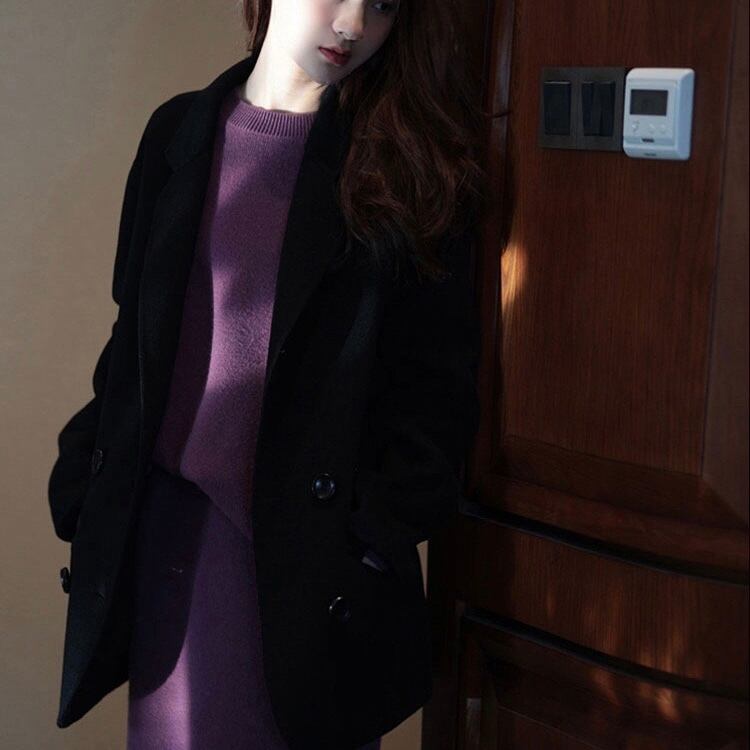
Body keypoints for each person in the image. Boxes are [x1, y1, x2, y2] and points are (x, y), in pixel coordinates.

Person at [48, 0, 487, 747]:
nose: (353, 25)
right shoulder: (177, 134)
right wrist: (85, 486)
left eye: (383, 5)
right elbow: (133, 339)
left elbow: (436, 397)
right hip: (165, 550)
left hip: (302, 577)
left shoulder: (407, 167)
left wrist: (361, 543)